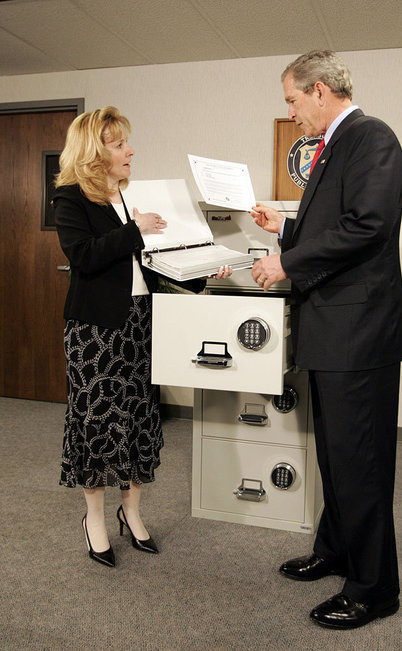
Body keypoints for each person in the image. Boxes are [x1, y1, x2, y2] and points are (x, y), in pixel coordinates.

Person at [251, 51, 402, 629]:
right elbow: (336, 224)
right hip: (334, 330)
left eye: (292, 100)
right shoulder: (337, 144)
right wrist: (286, 228)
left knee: (360, 462)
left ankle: (374, 588)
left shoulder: (372, 138)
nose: (291, 113)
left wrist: (286, 262)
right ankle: (337, 551)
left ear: (320, 90)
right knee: (336, 456)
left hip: (359, 335)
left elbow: (368, 226)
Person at [54, 106, 231, 568]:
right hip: (94, 329)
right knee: (95, 423)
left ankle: (130, 511)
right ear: (95, 152)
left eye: (126, 142)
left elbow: (160, 260)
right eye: (118, 144)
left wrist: (206, 269)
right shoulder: (72, 199)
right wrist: (136, 230)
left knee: (137, 419)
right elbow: (83, 256)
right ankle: (94, 518)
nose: (130, 150)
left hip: (140, 323)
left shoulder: (138, 196)